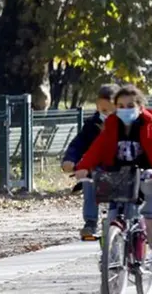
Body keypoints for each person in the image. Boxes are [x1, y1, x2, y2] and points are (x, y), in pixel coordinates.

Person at [74, 85, 152, 249]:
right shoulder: (111, 126)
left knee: (150, 184)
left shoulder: (147, 126)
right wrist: (84, 167)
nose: (125, 110)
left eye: (130, 106)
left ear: (140, 108)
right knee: (113, 213)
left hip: (141, 174)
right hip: (116, 174)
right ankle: (111, 254)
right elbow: (96, 149)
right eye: (120, 106)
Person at [61, 84, 119, 238]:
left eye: (109, 110)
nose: (105, 114)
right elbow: (78, 143)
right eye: (101, 109)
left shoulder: (127, 124)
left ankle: (123, 220)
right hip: (97, 170)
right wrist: (70, 160)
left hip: (121, 169)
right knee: (88, 181)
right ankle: (90, 223)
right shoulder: (92, 125)